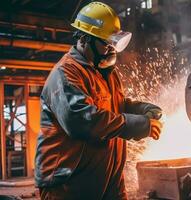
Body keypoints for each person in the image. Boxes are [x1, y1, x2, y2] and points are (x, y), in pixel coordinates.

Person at [34, 2, 163, 200]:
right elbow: (82, 120)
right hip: (68, 186)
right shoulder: (65, 73)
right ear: (84, 40)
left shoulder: (105, 73)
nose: (112, 50)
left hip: (108, 180)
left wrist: (141, 109)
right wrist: (138, 125)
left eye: (115, 43)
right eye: (106, 43)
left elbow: (116, 105)